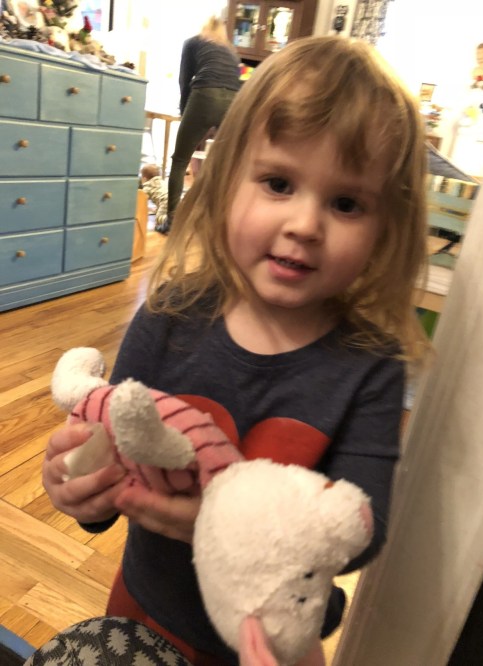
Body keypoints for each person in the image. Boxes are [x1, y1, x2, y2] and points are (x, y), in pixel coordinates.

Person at [42, 35, 430, 666]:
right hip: (144, 610)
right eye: (279, 183)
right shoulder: (168, 317)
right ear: (225, 184)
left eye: (346, 203)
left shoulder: (371, 366)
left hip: (268, 642)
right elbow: (110, 466)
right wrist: (76, 488)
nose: (305, 224)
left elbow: (363, 527)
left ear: (385, 226)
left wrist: (227, 526)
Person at [164, 15, 241, 233]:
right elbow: (238, 81)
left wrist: (184, 112)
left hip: (206, 94)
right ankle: (216, 221)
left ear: (204, 28)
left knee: (180, 160)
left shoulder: (193, 42)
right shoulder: (232, 52)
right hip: (234, 101)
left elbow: (184, 80)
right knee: (224, 164)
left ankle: (172, 221)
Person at [140, 163, 169, 233]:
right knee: (169, 212)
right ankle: (175, 218)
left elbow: (141, 198)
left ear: (144, 179)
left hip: (164, 201)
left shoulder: (147, 186)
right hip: (172, 198)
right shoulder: (162, 181)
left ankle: (170, 220)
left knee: (159, 217)